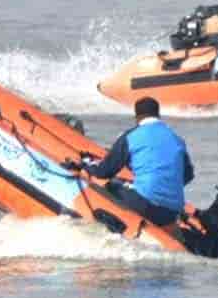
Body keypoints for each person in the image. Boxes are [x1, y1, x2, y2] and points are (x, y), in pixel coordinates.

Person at [69, 96, 194, 227]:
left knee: (110, 186)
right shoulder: (177, 139)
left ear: (137, 117)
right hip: (172, 213)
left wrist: (87, 166)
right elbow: (187, 176)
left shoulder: (131, 136)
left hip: (147, 206)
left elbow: (104, 172)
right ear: (158, 114)